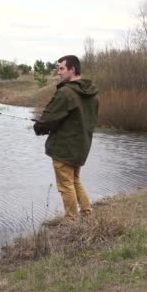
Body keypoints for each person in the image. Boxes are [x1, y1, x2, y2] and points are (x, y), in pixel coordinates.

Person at [33, 55, 99, 223]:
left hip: (64, 147)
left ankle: (71, 219)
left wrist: (39, 126)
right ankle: (87, 213)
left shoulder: (66, 92)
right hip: (81, 146)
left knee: (65, 185)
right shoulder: (92, 93)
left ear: (72, 70)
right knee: (75, 180)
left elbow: (50, 116)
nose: (58, 72)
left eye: (61, 68)